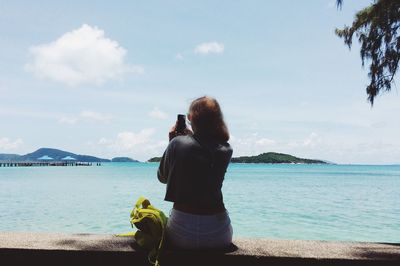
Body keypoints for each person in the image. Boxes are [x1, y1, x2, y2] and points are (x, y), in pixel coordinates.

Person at [157, 96, 233, 250]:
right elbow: (200, 148)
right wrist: (188, 138)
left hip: (181, 233)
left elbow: (162, 177)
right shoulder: (226, 149)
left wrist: (171, 143)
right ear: (218, 119)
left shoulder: (177, 143)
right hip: (219, 233)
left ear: (190, 118)